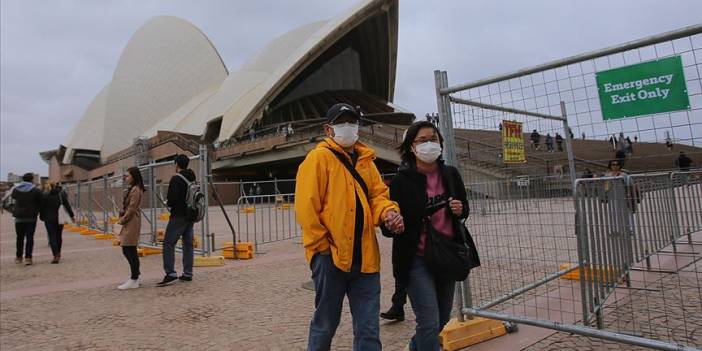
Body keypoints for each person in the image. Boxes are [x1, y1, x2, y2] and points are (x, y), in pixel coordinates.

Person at [295, 103, 403, 351]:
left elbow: (378, 196)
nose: (348, 127)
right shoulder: (318, 159)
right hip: (330, 258)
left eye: (352, 122)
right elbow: (306, 207)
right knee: (325, 323)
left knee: (368, 329)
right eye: (341, 122)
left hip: (365, 259)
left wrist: (388, 212)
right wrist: (322, 248)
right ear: (328, 129)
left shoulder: (366, 160)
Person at [381, 121, 470, 351]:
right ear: (411, 147)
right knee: (428, 323)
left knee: (440, 320)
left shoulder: (450, 174)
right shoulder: (401, 181)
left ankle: (414, 348)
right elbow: (387, 226)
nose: (429, 144)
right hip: (416, 259)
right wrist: (392, 223)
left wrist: (461, 209)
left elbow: (464, 208)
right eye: (422, 140)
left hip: (446, 254)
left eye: (433, 138)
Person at [158, 154, 197, 287]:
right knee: (188, 244)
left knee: (168, 243)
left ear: (177, 164)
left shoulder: (176, 179)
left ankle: (170, 273)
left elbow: (173, 199)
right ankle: (188, 273)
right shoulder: (192, 178)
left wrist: (168, 202)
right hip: (190, 215)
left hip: (178, 216)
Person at [116, 167, 145, 290]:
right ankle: (135, 276)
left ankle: (134, 278)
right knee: (127, 249)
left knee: (129, 249)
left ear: (133, 176)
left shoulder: (136, 190)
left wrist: (121, 221)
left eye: (128, 175)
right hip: (129, 221)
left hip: (131, 222)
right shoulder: (132, 189)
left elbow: (132, 209)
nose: (126, 178)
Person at [39, 182, 75, 264]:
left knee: (52, 237)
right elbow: (67, 205)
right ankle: (58, 252)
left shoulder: (45, 195)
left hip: (48, 219)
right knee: (59, 236)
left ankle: (55, 254)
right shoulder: (61, 195)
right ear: (55, 186)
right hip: (60, 218)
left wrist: (42, 217)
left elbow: (42, 208)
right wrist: (72, 216)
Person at [10, 173, 42, 265]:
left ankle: (18, 257)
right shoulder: (36, 190)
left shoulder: (16, 189)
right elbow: (40, 202)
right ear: (31, 179)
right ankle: (28, 257)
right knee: (30, 237)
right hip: (31, 217)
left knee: (19, 237)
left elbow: (13, 197)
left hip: (19, 217)